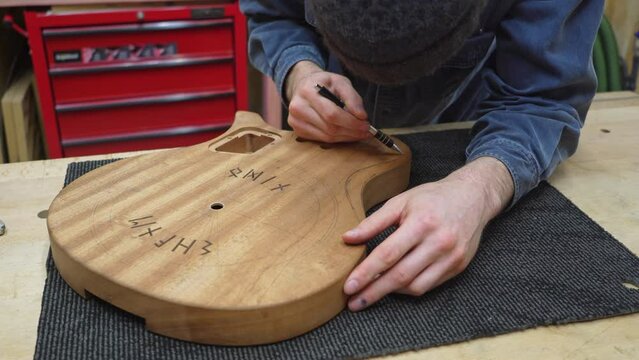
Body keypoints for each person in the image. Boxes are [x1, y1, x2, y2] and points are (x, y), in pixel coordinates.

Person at [240, 0, 604, 311]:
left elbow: (543, 97)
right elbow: (271, 14)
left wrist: (480, 188)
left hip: (467, 132)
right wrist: (301, 71)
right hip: (323, 139)